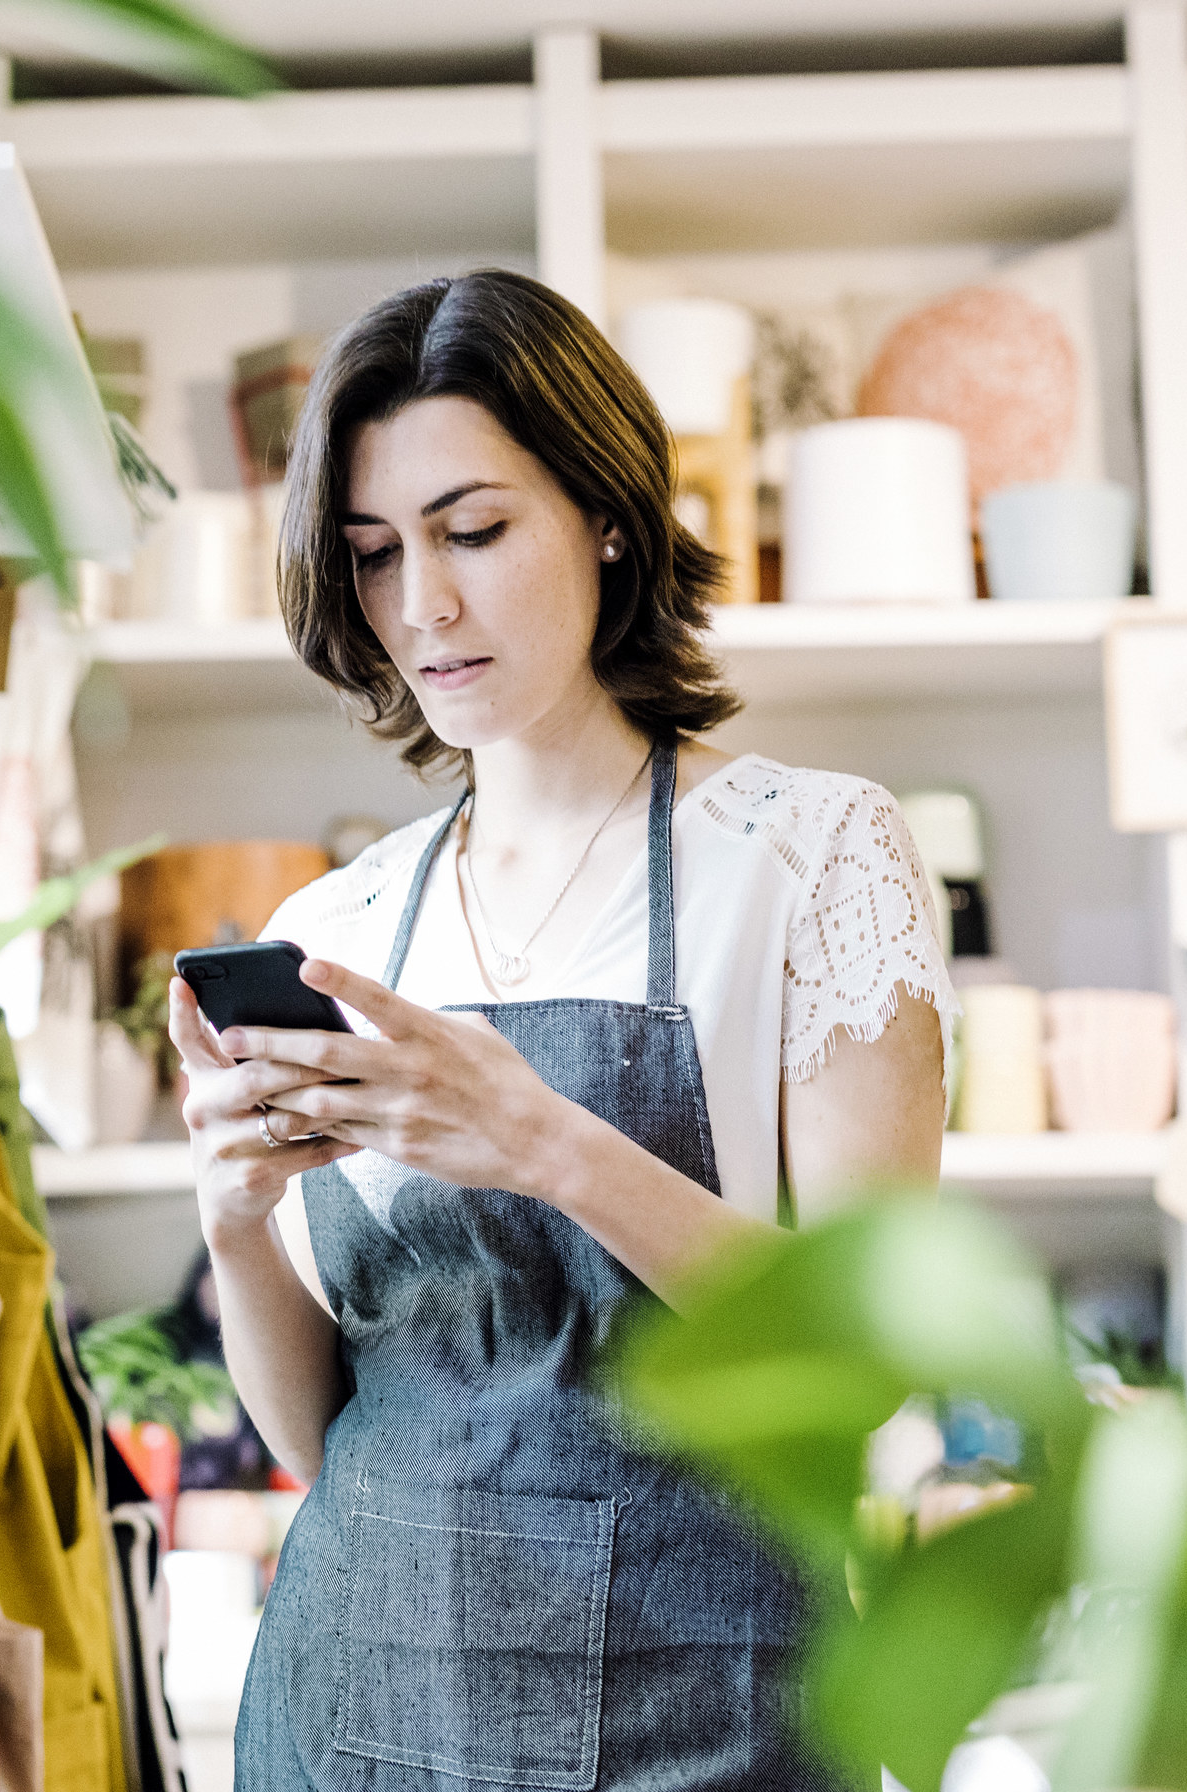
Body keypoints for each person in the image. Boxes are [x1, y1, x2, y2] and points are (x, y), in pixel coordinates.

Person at [166, 268, 950, 1791]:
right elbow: (323, 1438)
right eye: (376, 554)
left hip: (709, 1720)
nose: (424, 605)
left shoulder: (810, 859)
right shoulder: (339, 928)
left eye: (474, 530)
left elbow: (859, 1363)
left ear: (604, 514)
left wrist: (544, 1141)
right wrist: (238, 1225)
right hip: (355, 1713)